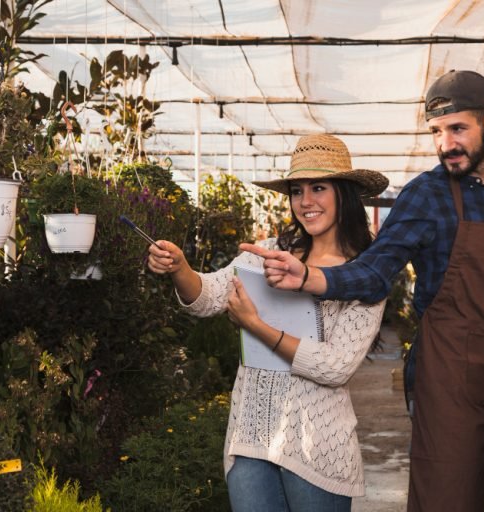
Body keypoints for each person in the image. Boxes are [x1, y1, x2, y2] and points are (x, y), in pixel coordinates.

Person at [241, 70, 484, 511]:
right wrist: (310, 278)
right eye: (437, 131)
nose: (445, 144)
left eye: (458, 129)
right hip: (450, 373)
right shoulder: (424, 196)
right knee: (448, 499)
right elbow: (376, 272)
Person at [146, 134, 389, 512]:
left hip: (317, 448)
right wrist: (180, 268)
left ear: (346, 193)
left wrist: (256, 325)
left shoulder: (365, 276)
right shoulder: (271, 253)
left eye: (319, 188)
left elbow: (335, 367)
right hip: (253, 435)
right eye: (296, 191)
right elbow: (209, 296)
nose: (305, 202)